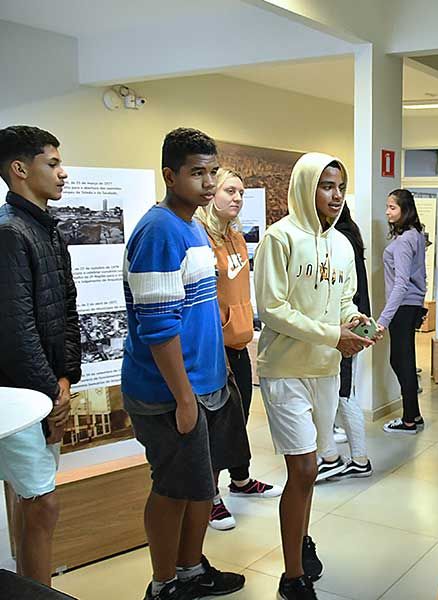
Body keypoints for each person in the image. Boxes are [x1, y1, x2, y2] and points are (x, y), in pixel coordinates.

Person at [122, 128, 246, 600]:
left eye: (213, 171)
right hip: (170, 393)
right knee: (173, 488)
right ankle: (164, 584)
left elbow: (200, 313)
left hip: (206, 384)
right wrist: (184, 398)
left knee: (200, 486)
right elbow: (158, 328)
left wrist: (218, 372)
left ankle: (192, 569)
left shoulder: (192, 225)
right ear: (170, 175)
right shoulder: (158, 230)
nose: (209, 182)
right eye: (198, 173)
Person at [255, 152, 374, 600]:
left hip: (326, 369)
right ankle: (292, 577)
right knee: (303, 468)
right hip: (285, 370)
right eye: (326, 186)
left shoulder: (342, 245)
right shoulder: (279, 238)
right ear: (306, 187)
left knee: (310, 470)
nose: (336, 195)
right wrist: (333, 334)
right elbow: (272, 309)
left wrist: (356, 322)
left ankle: (300, 539)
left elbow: (343, 302)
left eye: (341, 187)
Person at [0, 126, 79, 588]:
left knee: (34, 498)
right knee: (41, 501)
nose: (62, 172)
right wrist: (52, 391)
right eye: (52, 163)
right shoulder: (10, 232)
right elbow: (15, 330)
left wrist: (65, 377)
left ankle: (29, 588)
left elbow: (66, 308)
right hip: (22, 394)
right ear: (20, 169)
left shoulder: (45, 228)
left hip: (46, 390)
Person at [195, 168, 283, 531]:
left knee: (240, 415)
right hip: (214, 347)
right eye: (230, 191)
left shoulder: (234, 236)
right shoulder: (199, 238)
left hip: (239, 342)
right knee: (217, 423)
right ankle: (209, 496)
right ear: (211, 193)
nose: (237, 198)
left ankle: (241, 479)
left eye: (241, 193)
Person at [316, 205, 374, 481]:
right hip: (346, 326)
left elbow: (346, 294)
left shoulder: (340, 240)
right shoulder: (348, 235)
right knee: (338, 393)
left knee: (343, 393)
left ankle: (355, 459)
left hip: (345, 328)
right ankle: (336, 456)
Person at [379, 189, 428, 434]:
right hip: (410, 305)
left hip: (402, 306)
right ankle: (414, 415)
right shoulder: (416, 235)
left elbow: (401, 283)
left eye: (392, 207)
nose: (387, 212)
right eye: (387, 207)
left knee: (400, 360)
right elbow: (421, 276)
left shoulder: (405, 241)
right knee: (404, 359)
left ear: (405, 210)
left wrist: (383, 319)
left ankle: (409, 420)